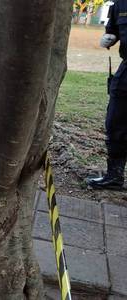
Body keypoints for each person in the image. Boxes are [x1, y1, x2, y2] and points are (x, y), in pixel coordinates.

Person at [86, 1, 127, 190]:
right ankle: (115, 176)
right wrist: (109, 38)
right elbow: (112, 31)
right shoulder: (120, 3)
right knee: (115, 122)